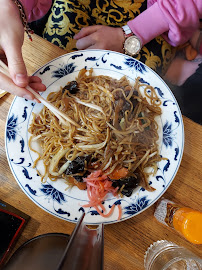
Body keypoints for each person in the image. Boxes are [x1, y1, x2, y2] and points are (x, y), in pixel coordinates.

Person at [0, 0, 202, 101]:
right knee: (53, 84)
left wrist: (130, 34)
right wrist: (14, 5)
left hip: (157, 16)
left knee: (130, 99)